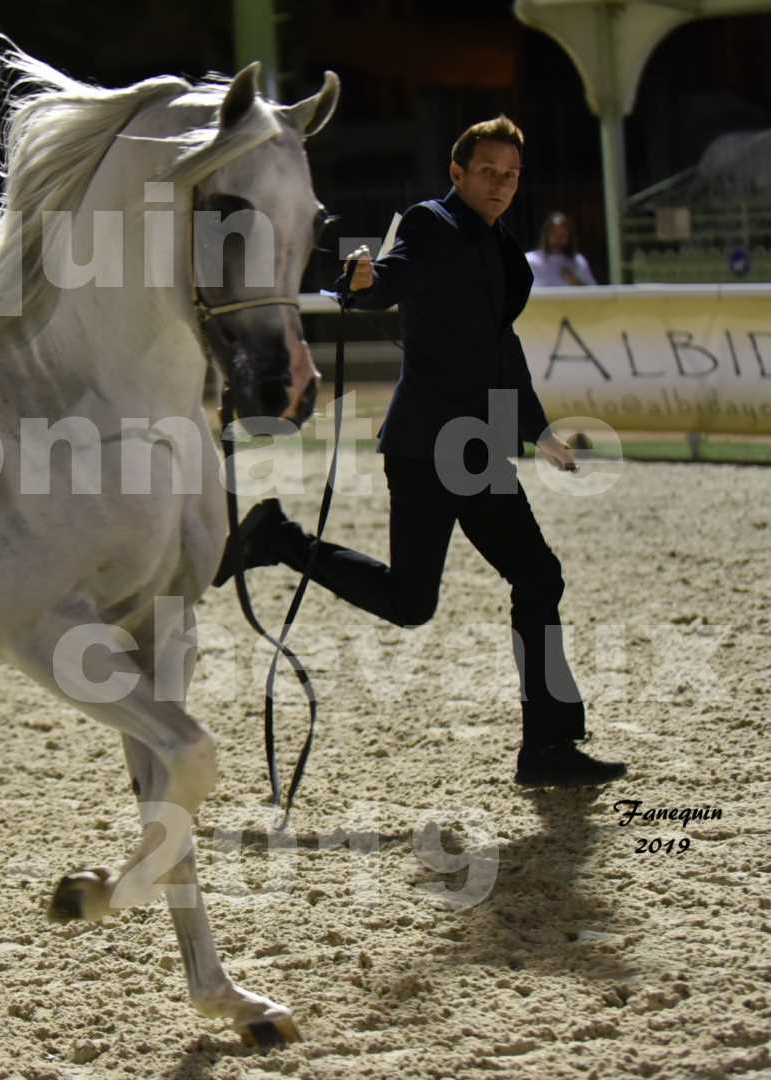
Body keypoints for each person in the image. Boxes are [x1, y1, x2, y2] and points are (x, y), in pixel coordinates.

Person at [221, 116, 626, 789]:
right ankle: (282, 539)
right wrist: (359, 283)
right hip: (424, 448)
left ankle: (547, 748)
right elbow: (386, 281)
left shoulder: (501, 248)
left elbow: (503, 350)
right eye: (488, 172)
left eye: (511, 175)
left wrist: (537, 430)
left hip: (478, 450)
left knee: (522, 580)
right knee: (435, 598)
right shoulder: (429, 223)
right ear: (458, 173)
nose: (501, 184)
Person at [527, 211, 596, 286]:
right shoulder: (530, 260)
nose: (558, 239)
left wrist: (576, 282)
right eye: (554, 234)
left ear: (569, 237)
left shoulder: (578, 262)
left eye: (562, 235)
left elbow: (595, 293)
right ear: (546, 235)